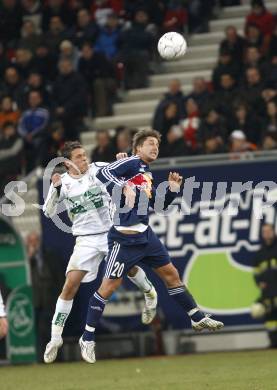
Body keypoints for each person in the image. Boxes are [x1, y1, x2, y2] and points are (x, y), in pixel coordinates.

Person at [79, 129, 224, 364]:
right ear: (138, 148)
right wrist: (122, 185)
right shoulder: (132, 162)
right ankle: (87, 338)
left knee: (171, 274)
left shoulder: (145, 172)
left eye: (157, 144)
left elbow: (155, 203)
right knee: (108, 287)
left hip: (145, 236)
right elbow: (103, 173)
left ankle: (196, 317)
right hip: (123, 239)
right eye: (150, 143)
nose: (155, 147)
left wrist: (173, 192)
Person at [43, 141, 158, 364]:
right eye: (78, 157)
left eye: (84, 155)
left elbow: (126, 172)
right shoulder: (63, 183)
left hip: (110, 233)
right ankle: (55, 339)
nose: (84, 160)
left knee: (131, 268)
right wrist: (55, 189)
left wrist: (121, 161)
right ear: (67, 163)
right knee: (70, 285)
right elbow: (48, 212)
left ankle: (149, 291)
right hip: (85, 240)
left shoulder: (97, 169)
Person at [252, 224, 277, 348]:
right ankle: (273, 343)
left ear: (273, 232)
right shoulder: (259, 253)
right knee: (270, 319)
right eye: (264, 231)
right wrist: (259, 283)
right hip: (267, 292)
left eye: (269, 231)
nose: (267, 233)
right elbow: (256, 273)